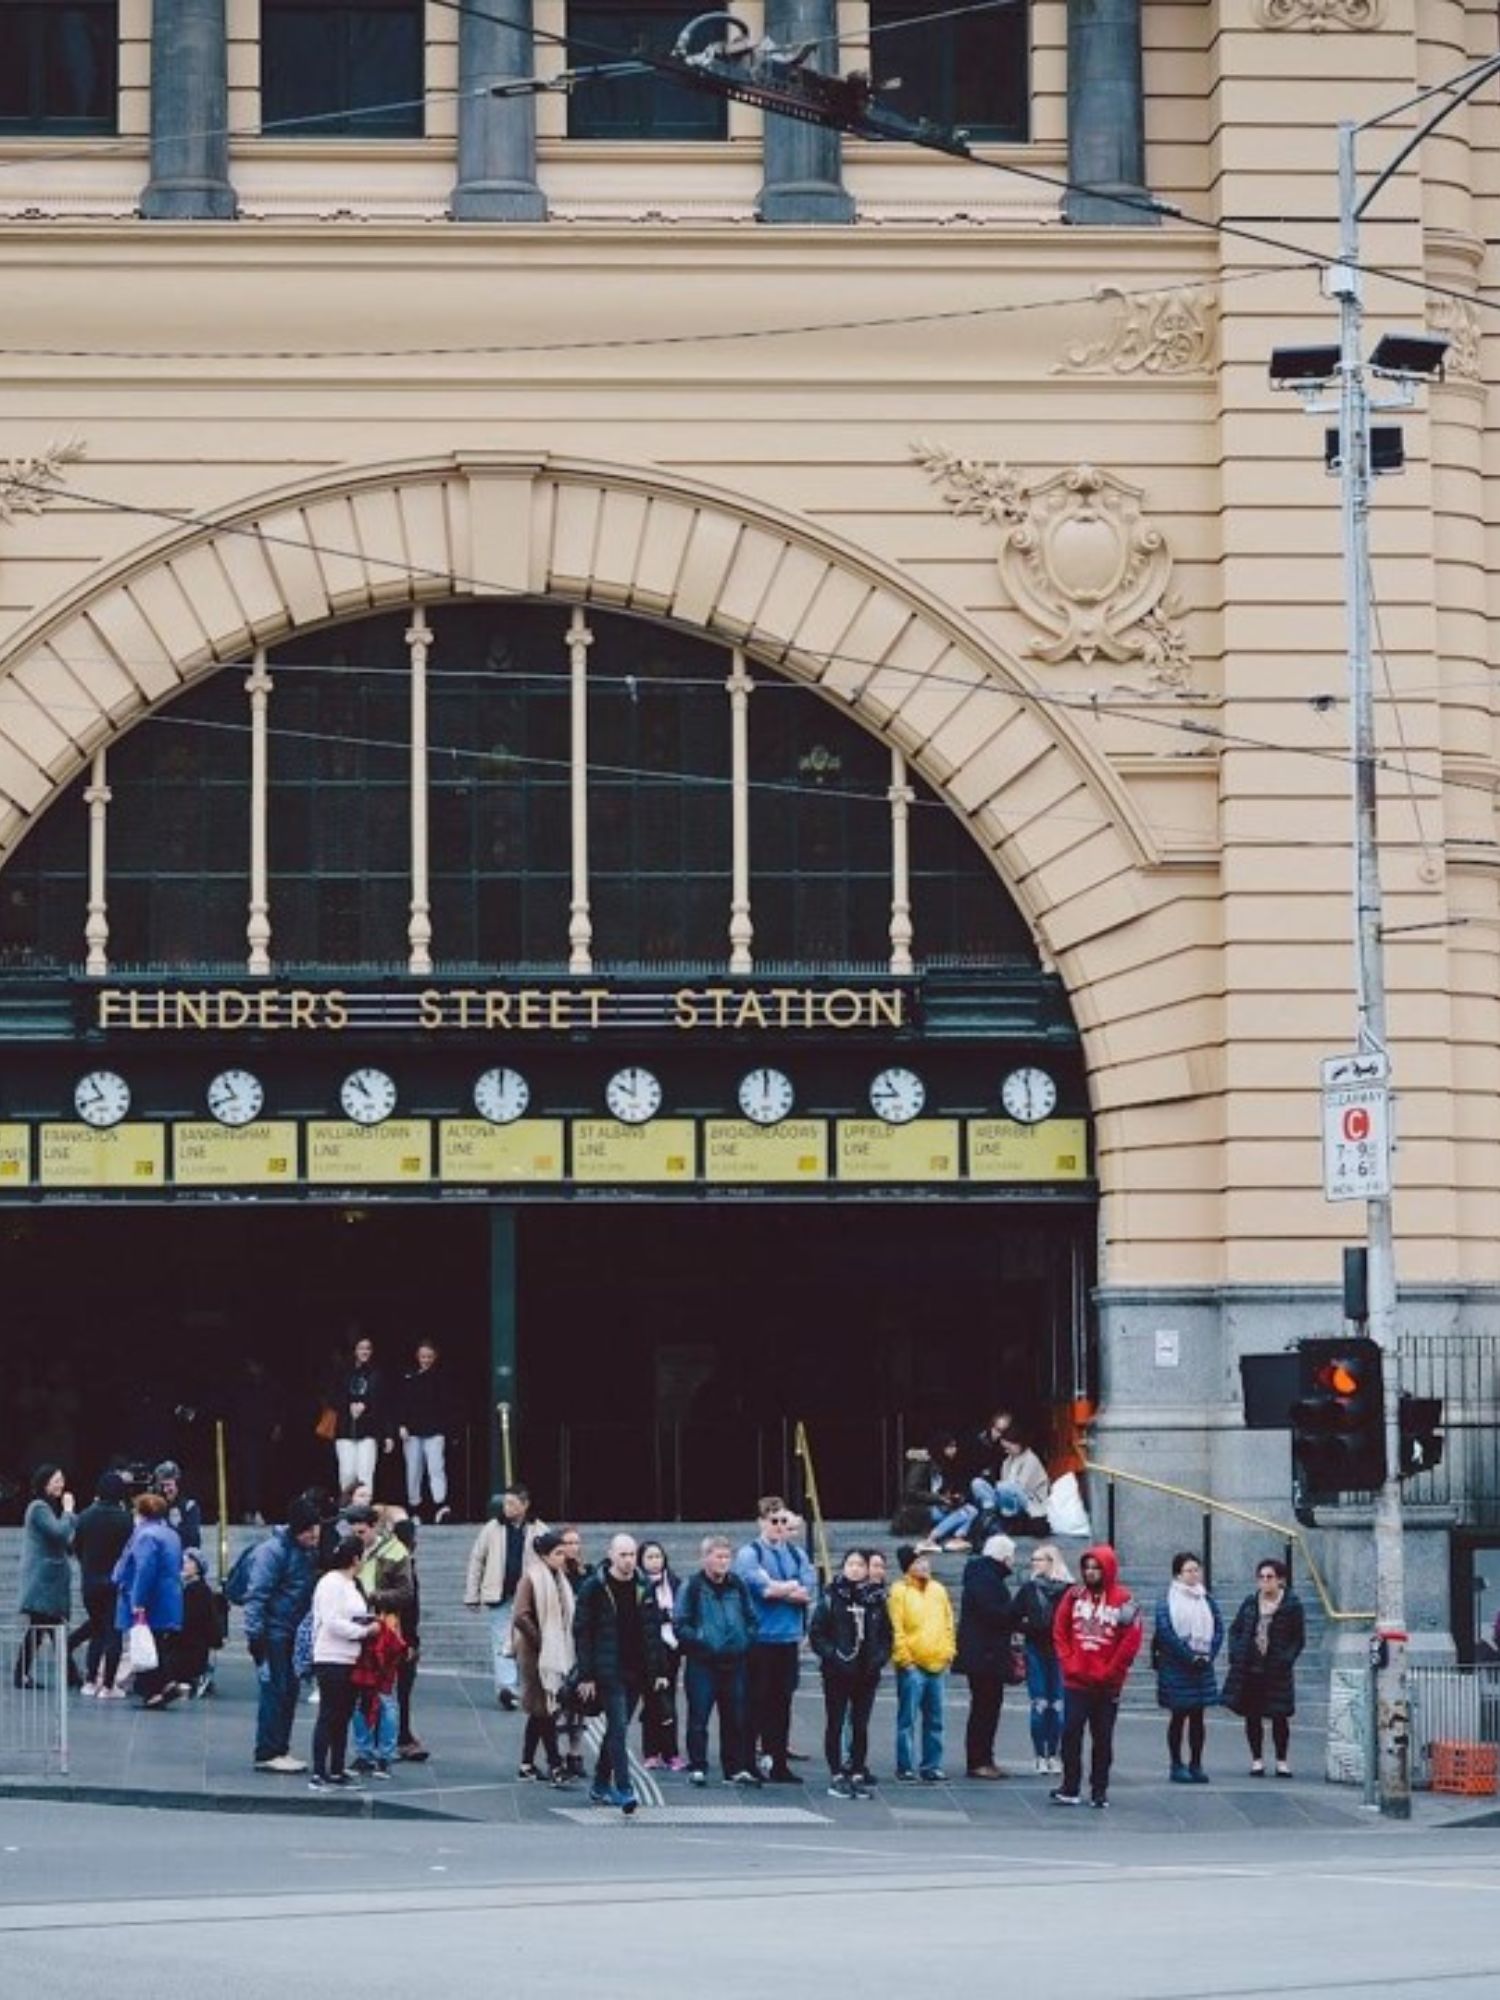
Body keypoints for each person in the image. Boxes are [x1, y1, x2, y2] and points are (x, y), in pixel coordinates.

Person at [572, 1532, 668, 1815]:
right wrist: (587, 1674)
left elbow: (653, 1630)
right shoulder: (595, 1587)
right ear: (611, 1555)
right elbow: (582, 1632)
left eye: (631, 1555)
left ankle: (601, 1783)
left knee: (617, 1727)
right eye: (623, 1555)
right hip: (608, 1668)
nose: (628, 1560)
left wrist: (659, 1669)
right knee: (619, 1727)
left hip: (637, 1670)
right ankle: (624, 1789)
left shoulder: (642, 1586)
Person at [1051, 1543, 1142, 1810]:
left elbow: (1130, 1642)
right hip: (1076, 1680)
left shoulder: (1124, 1601)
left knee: (1102, 1738)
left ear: (1107, 1570)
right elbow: (1060, 1630)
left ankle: (1099, 1789)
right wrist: (1068, 1662)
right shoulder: (1074, 1596)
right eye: (1087, 1568)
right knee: (1070, 1734)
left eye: (1096, 1568)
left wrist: (1111, 1671)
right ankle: (1070, 1786)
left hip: (1107, 1685)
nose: (1090, 1573)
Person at [734, 1496, 816, 1784]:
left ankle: (778, 1761)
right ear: (761, 1522)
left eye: (784, 1521)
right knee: (755, 1701)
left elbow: (807, 1588)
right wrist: (787, 1588)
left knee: (782, 1703)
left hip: (787, 1638)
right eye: (774, 1521)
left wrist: (782, 1588)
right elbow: (759, 1587)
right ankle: (746, 1762)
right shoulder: (750, 1553)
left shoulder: (796, 1554)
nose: (780, 1526)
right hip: (761, 1639)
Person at [243, 1496, 322, 1773]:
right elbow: (256, 1595)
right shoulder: (273, 1551)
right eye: (309, 1530)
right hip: (275, 1632)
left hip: (292, 1631)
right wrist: (255, 1635)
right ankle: (268, 1750)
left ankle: (279, 1748)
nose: (314, 1535)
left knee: (288, 1691)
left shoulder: (304, 1551)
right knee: (275, 1691)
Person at [676, 1534, 760, 1788]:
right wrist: (703, 1641)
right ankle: (698, 1765)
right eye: (718, 1556)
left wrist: (745, 1640)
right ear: (705, 1559)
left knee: (734, 1718)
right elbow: (681, 1624)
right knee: (698, 1717)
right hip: (703, 1663)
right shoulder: (691, 1586)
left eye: (727, 1556)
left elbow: (752, 1619)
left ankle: (733, 1768)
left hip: (735, 1662)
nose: (724, 1562)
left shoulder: (738, 1585)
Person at [809, 1548, 890, 1799]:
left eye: (860, 1564)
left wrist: (878, 1658)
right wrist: (833, 1655)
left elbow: (887, 1634)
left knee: (860, 1723)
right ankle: (836, 1772)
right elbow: (817, 1633)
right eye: (850, 1563)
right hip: (838, 1672)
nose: (855, 1569)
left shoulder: (876, 1598)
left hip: (866, 1672)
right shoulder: (832, 1597)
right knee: (835, 1721)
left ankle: (857, 1768)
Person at [464, 1486, 546, 1710]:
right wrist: (472, 1594)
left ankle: (524, 1685)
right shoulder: (492, 1528)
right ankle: (507, 1688)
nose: (507, 1508)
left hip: (528, 1595)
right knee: (501, 1640)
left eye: (512, 1503)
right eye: (505, 1503)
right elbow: (477, 1559)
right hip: (498, 1593)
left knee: (525, 1641)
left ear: (525, 1504)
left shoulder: (538, 1529)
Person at [1223, 1558, 1306, 1778]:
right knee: (1253, 1716)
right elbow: (1236, 1629)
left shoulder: (1291, 1605)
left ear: (1280, 1580)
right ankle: (1257, 1760)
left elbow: (1298, 1638)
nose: (1265, 1581)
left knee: (1279, 1716)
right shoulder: (1251, 1602)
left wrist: (1286, 1659)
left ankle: (1281, 1760)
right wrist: (1236, 1652)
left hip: (1277, 1668)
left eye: (1270, 1577)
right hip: (1251, 1667)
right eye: (1261, 1577)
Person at [308, 1534, 376, 1792]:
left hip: (351, 1657)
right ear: (356, 1559)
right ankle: (319, 1771)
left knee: (344, 1714)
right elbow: (331, 1620)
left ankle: (336, 1768)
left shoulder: (352, 1584)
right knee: (329, 1713)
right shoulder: (331, 1583)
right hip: (331, 1655)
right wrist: (362, 1632)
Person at [510, 1528, 576, 1785]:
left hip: (555, 1650)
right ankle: (555, 1764)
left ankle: (526, 1764)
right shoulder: (532, 1578)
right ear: (545, 1555)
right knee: (546, 1708)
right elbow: (520, 1615)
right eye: (558, 1553)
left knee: (541, 1710)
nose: (563, 1557)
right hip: (536, 1653)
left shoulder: (559, 1577)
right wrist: (542, 1640)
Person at [1154, 1551, 1223, 1784]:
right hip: (1177, 1665)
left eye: (1196, 1570)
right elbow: (1166, 1632)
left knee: (1198, 1717)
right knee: (1178, 1715)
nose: (1194, 1575)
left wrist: (1209, 1654)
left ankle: (1196, 1762)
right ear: (1178, 1574)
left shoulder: (1206, 1598)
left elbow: (1219, 1627)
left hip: (1202, 1664)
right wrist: (1188, 1656)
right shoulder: (1168, 1600)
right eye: (1189, 1571)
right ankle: (1176, 1762)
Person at [889, 1543, 956, 1782]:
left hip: (937, 1662)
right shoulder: (899, 1591)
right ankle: (905, 1765)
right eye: (918, 1561)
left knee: (935, 1719)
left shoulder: (938, 1590)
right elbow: (896, 1627)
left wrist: (949, 1651)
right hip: (912, 1665)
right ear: (908, 1567)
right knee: (907, 1719)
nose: (924, 1565)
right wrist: (905, 1660)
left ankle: (931, 1765)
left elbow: (948, 1622)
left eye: (926, 1561)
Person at [111, 1490, 184, 1707]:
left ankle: (151, 1690)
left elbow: (144, 1570)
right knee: (158, 1643)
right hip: (168, 1597)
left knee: (144, 1642)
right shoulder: (171, 1534)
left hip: (150, 1599)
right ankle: (166, 1683)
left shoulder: (145, 1536)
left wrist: (137, 1601)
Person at [955, 1531, 1018, 1780]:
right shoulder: (985, 1579)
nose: (1013, 1562)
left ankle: (983, 1758)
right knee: (985, 1708)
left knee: (987, 1707)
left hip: (985, 1654)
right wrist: (1016, 1610)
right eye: (1011, 1557)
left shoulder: (982, 1576)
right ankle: (979, 1760)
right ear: (1003, 1557)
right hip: (984, 1656)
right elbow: (994, 1614)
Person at [70, 1469, 132, 1697]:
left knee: (97, 1630)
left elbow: (76, 1547)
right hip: (115, 1583)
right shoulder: (125, 1519)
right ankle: (108, 1685)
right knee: (113, 1633)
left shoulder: (85, 1516)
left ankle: (89, 1680)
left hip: (90, 1583)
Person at [14, 1464, 77, 1689]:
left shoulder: (49, 1508)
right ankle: (69, 1676)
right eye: (56, 1480)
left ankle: (69, 1675)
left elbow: (65, 1537)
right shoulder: (39, 1507)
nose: (61, 1484)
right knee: (45, 1628)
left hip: (49, 1581)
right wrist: (69, 1511)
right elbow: (60, 1533)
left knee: (46, 1629)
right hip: (43, 1581)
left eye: (62, 1479)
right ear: (44, 1483)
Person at [1013, 1542, 1071, 1773]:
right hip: (1035, 1649)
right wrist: (1030, 1627)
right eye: (1034, 1560)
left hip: (1059, 1652)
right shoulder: (1029, 1589)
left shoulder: (1068, 1590)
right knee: (1039, 1703)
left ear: (1051, 1561)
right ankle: (1039, 1754)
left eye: (1039, 1559)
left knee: (1057, 1705)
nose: (1034, 1564)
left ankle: (1054, 1754)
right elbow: (1013, 1615)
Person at [637, 1539, 685, 1770]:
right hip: (647, 1648)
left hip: (671, 1646)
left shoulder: (674, 1583)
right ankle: (651, 1751)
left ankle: (671, 1752)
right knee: (653, 1700)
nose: (655, 1562)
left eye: (658, 1557)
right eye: (650, 1557)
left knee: (669, 1700)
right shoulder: (639, 1584)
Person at [395, 1340, 452, 1522]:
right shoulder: (408, 1376)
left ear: (435, 1357)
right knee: (413, 1470)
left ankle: (440, 1507)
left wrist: (445, 1430)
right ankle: (414, 1509)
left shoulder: (442, 1378)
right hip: (411, 1433)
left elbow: (448, 1406)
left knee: (436, 1469)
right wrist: (401, 1424)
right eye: (422, 1356)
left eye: (429, 1357)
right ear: (417, 1357)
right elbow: (401, 1403)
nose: (425, 1360)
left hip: (434, 1431)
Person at [390, 1514, 428, 1762]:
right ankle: (399, 1736)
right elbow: (408, 1607)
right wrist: (411, 1641)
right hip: (399, 1635)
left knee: (400, 1691)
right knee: (399, 1690)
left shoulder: (397, 1563)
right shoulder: (401, 1566)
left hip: (399, 1632)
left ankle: (401, 1734)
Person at [333, 1335, 389, 1496]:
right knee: (347, 1472)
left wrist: (366, 1405)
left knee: (365, 1472)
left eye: (368, 1348)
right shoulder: (343, 1372)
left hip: (369, 1429)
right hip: (345, 1429)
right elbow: (333, 1397)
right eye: (361, 1348)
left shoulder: (377, 1374)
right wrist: (348, 1405)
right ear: (354, 1350)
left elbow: (383, 1404)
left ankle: (364, 1511)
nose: (365, 1351)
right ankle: (347, 1509)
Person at [972, 1431, 1051, 1524]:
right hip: (1007, 1499)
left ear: (1018, 1444)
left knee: (1005, 1486)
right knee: (977, 1483)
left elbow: (1021, 1487)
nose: (1006, 1451)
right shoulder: (1007, 1462)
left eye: (1008, 1448)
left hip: (1030, 1502)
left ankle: (1005, 1519)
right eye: (1004, 1448)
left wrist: (1000, 1488)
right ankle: (989, 1514)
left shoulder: (1031, 1460)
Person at [917, 1433, 977, 1553]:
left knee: (971, 1510)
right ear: (940, 1448)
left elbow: (949, 1492)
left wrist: (955, 1498)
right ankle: (930, 1540)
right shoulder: (923, 1465)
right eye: (949, 1447)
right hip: (922, 1510)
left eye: (955, 1446)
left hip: (940, 1507)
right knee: (969, 1511)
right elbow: (913, 1493)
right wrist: (940, 1499)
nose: (954, 1450)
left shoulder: (949, 1466)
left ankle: (957, 1539)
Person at [174, 1547, 222, 1697]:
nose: (184, 1565)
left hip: (189, 1647)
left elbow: (189, 1622)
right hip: (196, 1646)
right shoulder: (198, 1589)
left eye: (189, 1562)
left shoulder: (195, 1591)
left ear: (198, 1567)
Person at [154, 1460, 204, 1555]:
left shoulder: (189, 1506)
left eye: (168, 1485)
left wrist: (166, 1526)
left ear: (177, 1484)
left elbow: (192, 1538)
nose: (165, 1490)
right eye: (162, 1486)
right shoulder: (156, 1507)